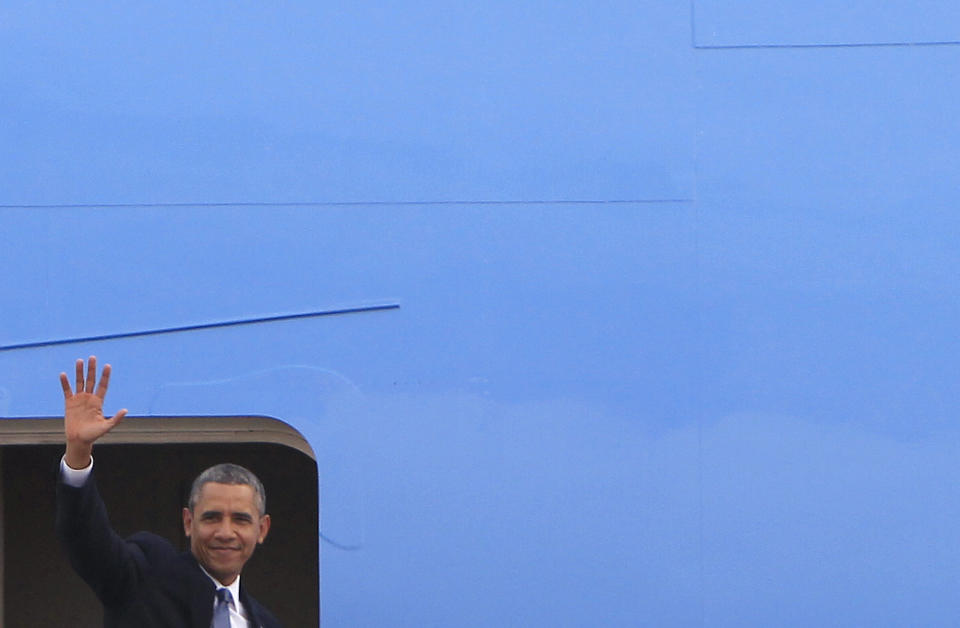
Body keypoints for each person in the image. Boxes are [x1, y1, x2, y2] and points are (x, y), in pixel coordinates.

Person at [56, 356, 283, 628]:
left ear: (262, 529)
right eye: (211, 518)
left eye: (240, 519)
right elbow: (87, 541)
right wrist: (78, 452)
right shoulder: (148, 575)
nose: (225, 532)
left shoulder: (265, 623)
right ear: (188, 522)